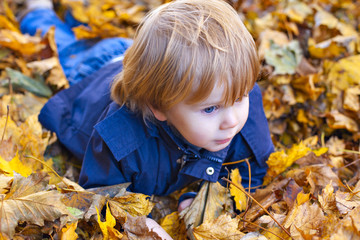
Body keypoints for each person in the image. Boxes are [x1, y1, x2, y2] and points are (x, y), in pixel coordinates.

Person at [21, 0, 273, 215]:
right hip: (98, 69)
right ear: (159, 107)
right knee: (60, 43)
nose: (231, 120)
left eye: (240, 97)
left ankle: (76, 12)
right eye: (210, 109)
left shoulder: (235, 96)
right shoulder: (120, 136)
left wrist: (210, 199)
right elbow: (102, 194)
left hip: (154, 66)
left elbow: (253, 168)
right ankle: (38, 12)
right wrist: (141, 224)